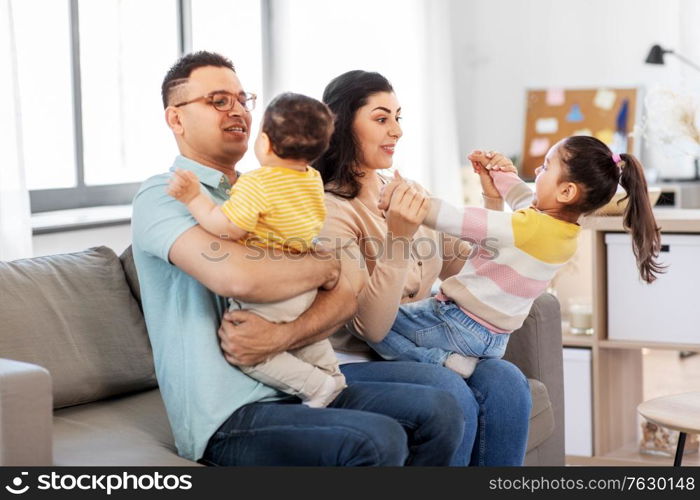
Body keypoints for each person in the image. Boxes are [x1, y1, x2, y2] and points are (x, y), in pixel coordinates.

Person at [131, 51, 464, 466]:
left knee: (441, 411)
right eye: (218, 100)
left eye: (242, 99)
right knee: (376, 441)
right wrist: (325, 268)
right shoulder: (163, 194)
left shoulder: (273, 187)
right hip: (230, 413)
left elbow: (347, 294)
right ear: (175, 119)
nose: (237, 111)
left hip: (298, 383)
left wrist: (285, 331)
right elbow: (239, 279)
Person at [315, 70, 532, 466]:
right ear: (342, 125)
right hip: (356, 362)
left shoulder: (408, 190)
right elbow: (371, 329)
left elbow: (463, 272)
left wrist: (491, 200)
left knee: (508, 383)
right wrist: (398, 236)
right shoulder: (330, 210)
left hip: (420, 348)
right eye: (381, 119)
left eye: (399, 117)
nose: (396, 130)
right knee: (450, 392)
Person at [369, 136, 663, 378]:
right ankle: (450, 360)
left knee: (372, 322)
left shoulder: (527, 228)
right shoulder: (563, 232)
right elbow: (524, 198)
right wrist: (501, 175)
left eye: (546, 167)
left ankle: (438, 360)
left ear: (566, 191)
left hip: (458, 325)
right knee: (410, 308)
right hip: (494, 339)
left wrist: (406, 199)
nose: (537, 171)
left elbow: (457, 219)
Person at [166, 92, 346, 408]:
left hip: (271, 293)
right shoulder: (312, 179)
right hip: (305, 288)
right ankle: (334, 377)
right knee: (308, 343)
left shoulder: (257, 184)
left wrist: (194, 197)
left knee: (250, 357)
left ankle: (317, 386)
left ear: (263, 143)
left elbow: (227, 227)